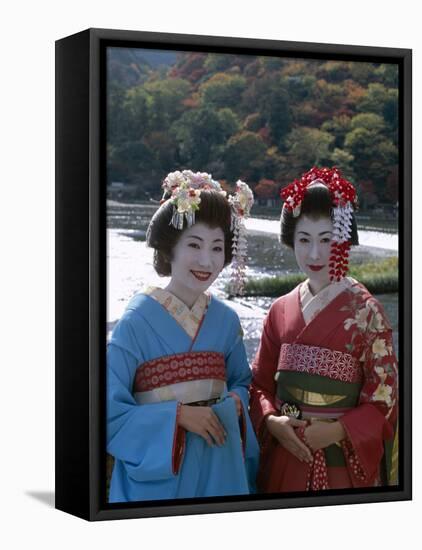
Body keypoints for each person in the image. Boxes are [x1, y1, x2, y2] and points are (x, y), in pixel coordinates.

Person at [107, 170, 259, 502]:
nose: (207, 260)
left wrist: (235, 402)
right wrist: (177, 418)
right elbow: (108, 409)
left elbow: (243, 383)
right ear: (170, 247)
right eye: (194, 244)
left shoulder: (226, 321)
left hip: (220, 463)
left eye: (217, 247)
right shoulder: (136, 321)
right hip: (161, 477)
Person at [250, 166, 398, 492]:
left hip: (341, 461)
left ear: (343, 240)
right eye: (304, 239)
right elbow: (259, 385)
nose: (314, 253)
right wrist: (272, 422)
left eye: (326, 239)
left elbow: (383, 399)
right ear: (291, 240)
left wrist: (336, 431)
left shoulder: (367, 311)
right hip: (286, 455)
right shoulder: (279, 310)